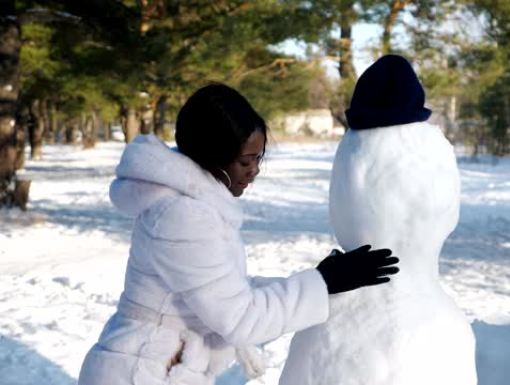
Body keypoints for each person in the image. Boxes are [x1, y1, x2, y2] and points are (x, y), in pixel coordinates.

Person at [78, 83, 400, 385]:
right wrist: (324, 281)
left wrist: (323, 281)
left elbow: (229, 291)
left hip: (158, 365)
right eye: (246, 160)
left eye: (259, 158)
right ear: (212, 156)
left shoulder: (192, 206)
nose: (255, 170)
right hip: (143, 372)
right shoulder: (184, 216)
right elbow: (241, 317)